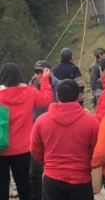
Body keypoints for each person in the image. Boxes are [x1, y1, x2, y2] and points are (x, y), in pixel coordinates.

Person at [31, 79, 99, 200]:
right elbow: (96, 150)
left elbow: (35, 149)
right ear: (79, 97)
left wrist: (47, 162)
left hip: (52, 177)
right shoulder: (92, 122)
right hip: (81, 177)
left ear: (57, 96)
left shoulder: (41, 121)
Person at [0, 62, 52, 200]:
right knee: (24, 185)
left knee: (1, 187)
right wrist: (45, 80)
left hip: (1, 147)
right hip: (23, 149)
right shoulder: (29, 92)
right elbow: (46, 101)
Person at [29, 61, 61, 200]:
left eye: (42, 72)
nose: (39, 75)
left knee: (55, 170)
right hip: (36, 130)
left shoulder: (58, 85)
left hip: (56, 131)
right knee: (34, 172)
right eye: (37, 72)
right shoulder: (31, 87)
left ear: (50, 71)